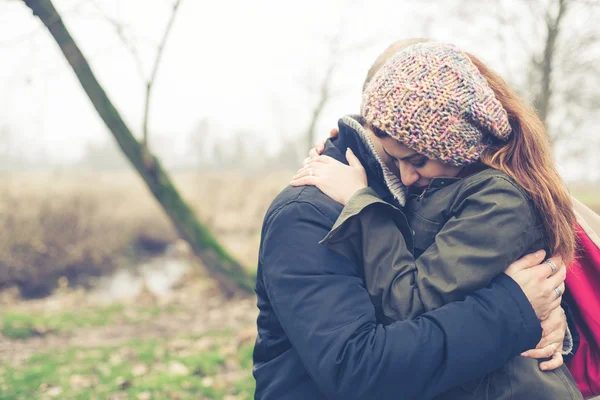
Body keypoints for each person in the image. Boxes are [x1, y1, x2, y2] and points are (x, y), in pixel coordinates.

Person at [253, 41, 570, 400]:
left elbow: (498, 280)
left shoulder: (450, 195)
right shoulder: (307, 212)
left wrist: (546, 315)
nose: (407, 175)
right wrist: (515, 312)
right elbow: (359, 368)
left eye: (418, 158)